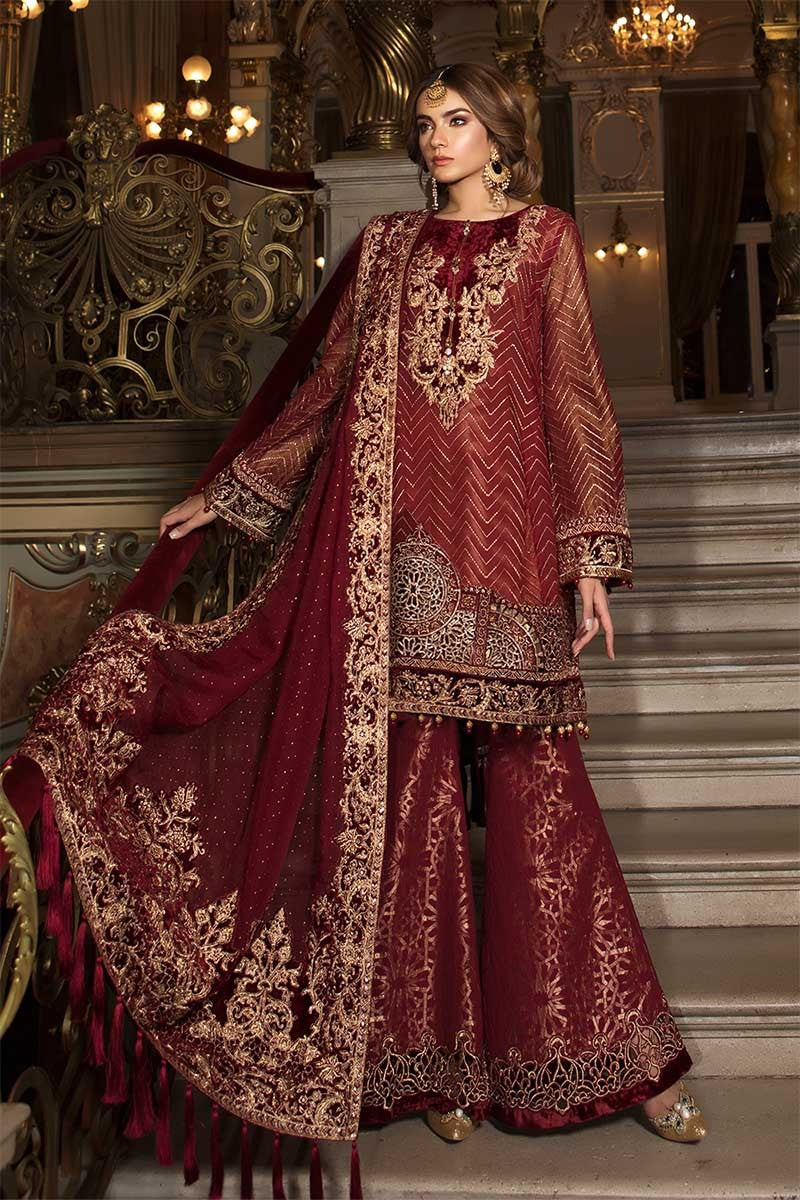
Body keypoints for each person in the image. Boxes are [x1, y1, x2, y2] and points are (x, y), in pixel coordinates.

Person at [4, 60, 705, 1198]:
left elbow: (574, 400)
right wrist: (227, 492)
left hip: (514, 560)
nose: (435, 139)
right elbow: (326, 393)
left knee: (542, 808)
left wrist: (589, 560)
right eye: (424, 122)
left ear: (501, 135)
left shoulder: (544, 243)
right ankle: (431, 1066)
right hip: (396, 560)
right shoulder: (384, 250)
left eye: (457, 121)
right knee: (412, 812)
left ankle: (613, 1061)